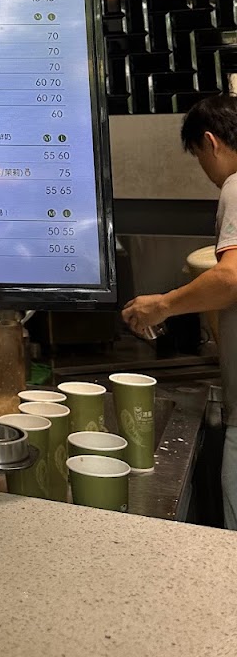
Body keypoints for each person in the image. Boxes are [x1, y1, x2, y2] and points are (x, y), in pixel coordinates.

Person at [122, 92, 237, 528]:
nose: (205, 169)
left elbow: (231, 278)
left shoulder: (236, 186)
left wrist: (163, 305)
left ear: (210, 142)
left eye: (199, 157)